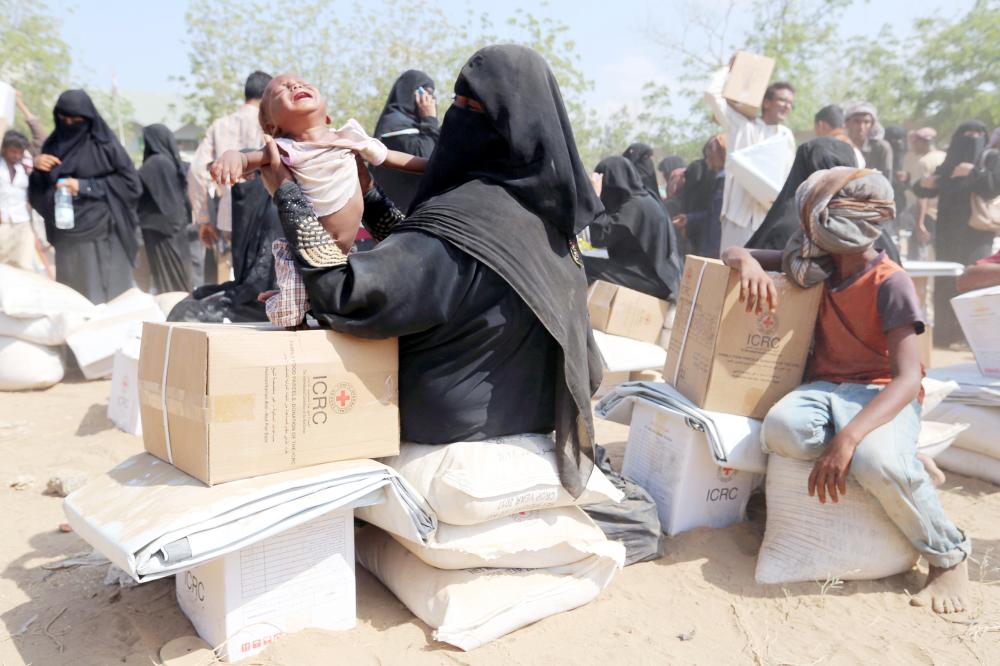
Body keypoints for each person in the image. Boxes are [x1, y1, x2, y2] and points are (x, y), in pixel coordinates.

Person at [259, 44, 606, 501]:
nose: (455, 116)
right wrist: (369, 195)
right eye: (454, 103)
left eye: (470, 107)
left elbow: (346, 293)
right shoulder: (546, 218)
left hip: (454, 429)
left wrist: (288, 194)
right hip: (535, 416)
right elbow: (426, 259)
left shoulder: (468, 215)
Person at [724, 166, 971, 615]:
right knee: (781, 430)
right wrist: (747, 264)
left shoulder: (890, 282)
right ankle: (901, 458)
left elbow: (908, 377)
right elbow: (733, 249)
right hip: (824, 388)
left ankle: (948, 556)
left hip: (881, 391)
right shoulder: (815, 266)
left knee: (875, 461)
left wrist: (850, 438)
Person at [211, 74, 427, 256]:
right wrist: (231, 156)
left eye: (303, 83)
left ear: (327, 117)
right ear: (271, 125)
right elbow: (246, 160)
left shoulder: (350, 136)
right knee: (297, 303)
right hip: (309, 254)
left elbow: (392, 157)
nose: (295, 86)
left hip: (350, 251)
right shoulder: (284, 148)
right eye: (281, 91)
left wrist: (435, 165)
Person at [27, 90, 141, 303]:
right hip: (66, 234)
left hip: (102, 234)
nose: (69, 124)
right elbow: (40, 192)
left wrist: (84, 185)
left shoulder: (104, 146)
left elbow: (131, 184)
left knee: (104, 301)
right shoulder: (53, 144)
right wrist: (38, 168)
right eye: (64, 119)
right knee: (71, 300)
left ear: (88, 120)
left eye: (76, 120)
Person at [914, 121, 1000, 347]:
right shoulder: (948, 163)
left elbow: (993, 186)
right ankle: (944, 335)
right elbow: (923, 189)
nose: (973, 139)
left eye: (978, 134)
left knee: (973, 281)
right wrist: (924, 183)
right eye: (967, 134)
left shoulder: (991, 159)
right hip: (947, 232)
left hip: (976, 233)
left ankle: (972, 337)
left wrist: (974, 172)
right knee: (945, 282)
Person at [704, 63, 796, 252]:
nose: (787, 106)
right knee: (730, 273)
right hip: (738, 216)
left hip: (768, 218)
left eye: (790, 103)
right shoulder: (743, 126)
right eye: (782, 100)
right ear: (767, 102)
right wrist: (730, 68)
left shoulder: (786, 136)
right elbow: (711, 94)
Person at [188, 71, 271, 274]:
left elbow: (197, 171)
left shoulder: (219, 125)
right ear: (268, 95)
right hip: (266, 213)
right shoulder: (271, 124)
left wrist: (204, 218)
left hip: (230, 211)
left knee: (231, 272)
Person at [584, 155, 680, 299]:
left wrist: (595, 198)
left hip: (652, 280)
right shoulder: (645, 198)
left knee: (583, 263)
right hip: (656, 276)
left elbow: (599, 237)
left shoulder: (635, 205)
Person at [371, 69, 440, 212]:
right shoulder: (394, 125)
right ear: (408, 92)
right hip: (396, 216)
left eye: (431, 94)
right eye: (424, 92)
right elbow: (428, 159)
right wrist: (429, 120)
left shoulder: (417, 126)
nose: (429, 99)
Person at [137, 124, 194, 293]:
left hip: (160, 231)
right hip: (177, 227)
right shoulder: (170, 161)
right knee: (181, 274)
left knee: (168, 279)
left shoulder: (153, 164)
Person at [677, 135, 726, 259]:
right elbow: (713, 212)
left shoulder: (730, 182)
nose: (707, 154)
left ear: (723, 152)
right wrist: (689, 218)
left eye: (711, 149)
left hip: (720, 248)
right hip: (710, 247)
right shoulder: (718, 180)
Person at [904, 128, 946, 258]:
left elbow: (922, 195)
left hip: (927, 215)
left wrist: (919, 224)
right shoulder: (945, 156)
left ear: (921, 142)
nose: (912, 147)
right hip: (943, 213)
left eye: (914, 143)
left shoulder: (924, 162)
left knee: (916, 256)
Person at [0, 131, 37, 270]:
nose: (17, 156)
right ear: (4, 149)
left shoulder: (24, 168)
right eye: (13, 151)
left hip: (22, 222)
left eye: (20, 152)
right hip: (3, 222)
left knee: (24, 264)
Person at [845, 103, 893, 180]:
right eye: (857, 121)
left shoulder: (881, 148)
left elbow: (886, 180)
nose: (861, 127)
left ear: (872, 125)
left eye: (866, 122)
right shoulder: (840, 147)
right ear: (847, 123)